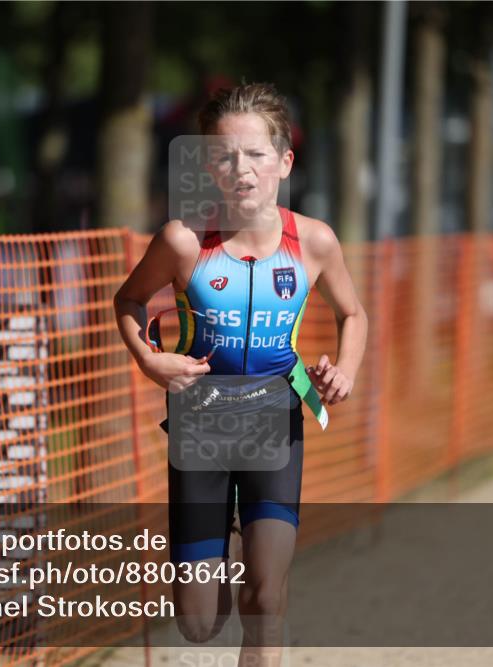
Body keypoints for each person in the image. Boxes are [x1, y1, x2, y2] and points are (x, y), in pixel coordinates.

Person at [114, 82, 367, 664]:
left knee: (265, 597)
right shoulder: (182, 242)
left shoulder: (315, 242)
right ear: (209, 166)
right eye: (226, 156)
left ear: (284, 161)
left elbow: (353, 314)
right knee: (199, 624)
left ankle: (258, 579)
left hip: (275, 425)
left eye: (256, 154)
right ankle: (226, 558)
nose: (242, 169)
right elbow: (127, 302)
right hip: (201, 432)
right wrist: (150, 360)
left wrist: (344, 373)